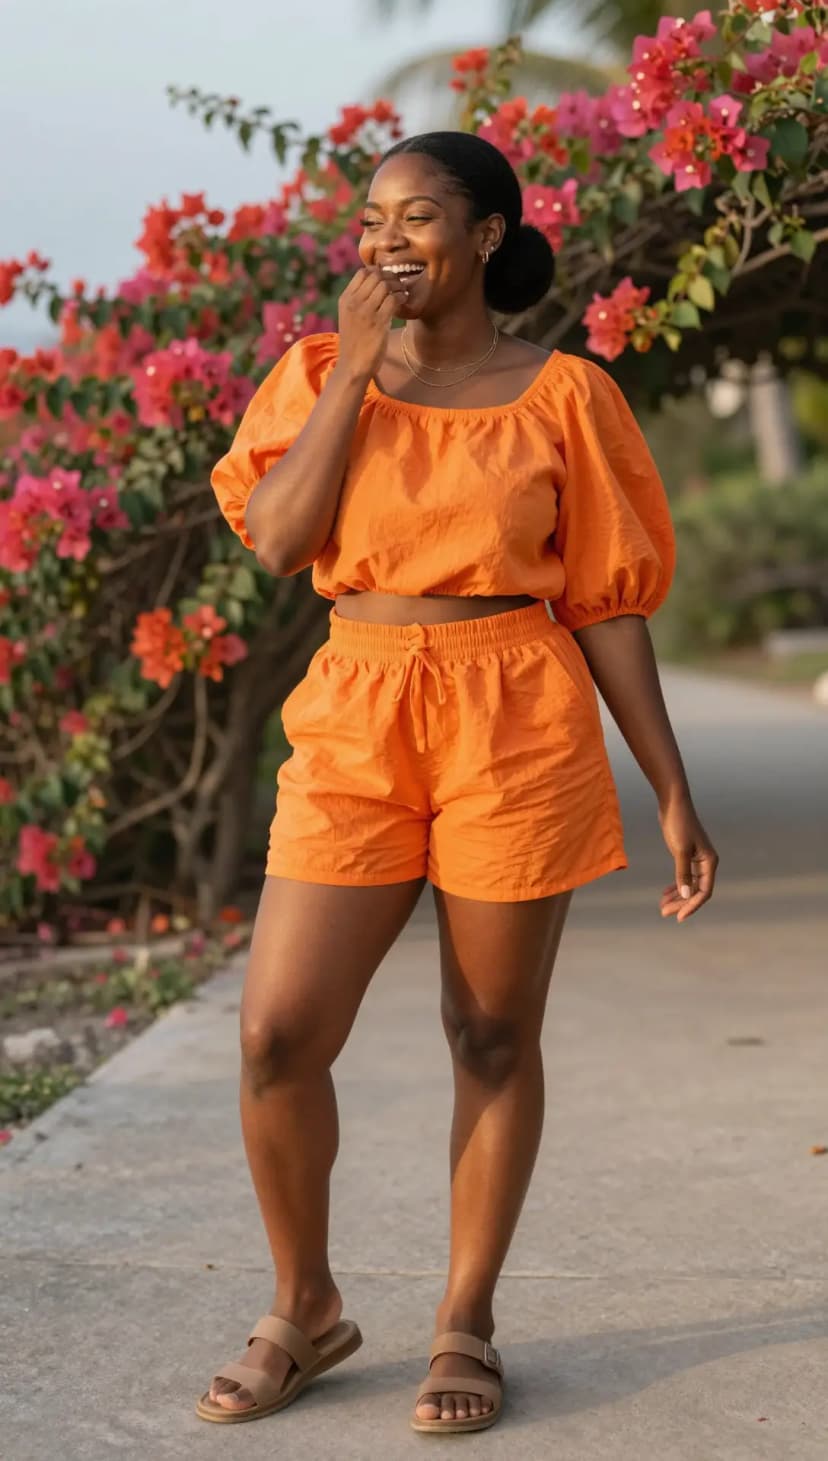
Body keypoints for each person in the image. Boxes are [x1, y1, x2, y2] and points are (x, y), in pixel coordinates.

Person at [200, 129, 718, 1435]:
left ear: (486, 236)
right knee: (276, 1032)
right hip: (359, 707)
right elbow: (275, 537)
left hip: (514, 711)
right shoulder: (321, 373)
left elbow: (604, 602)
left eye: (418, 214)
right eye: (372, 216)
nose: (385, 238)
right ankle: (304, 1302)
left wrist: (669, 783)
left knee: (490, 1032)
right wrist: (354, 379)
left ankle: (466, 1317)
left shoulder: (564, 396)